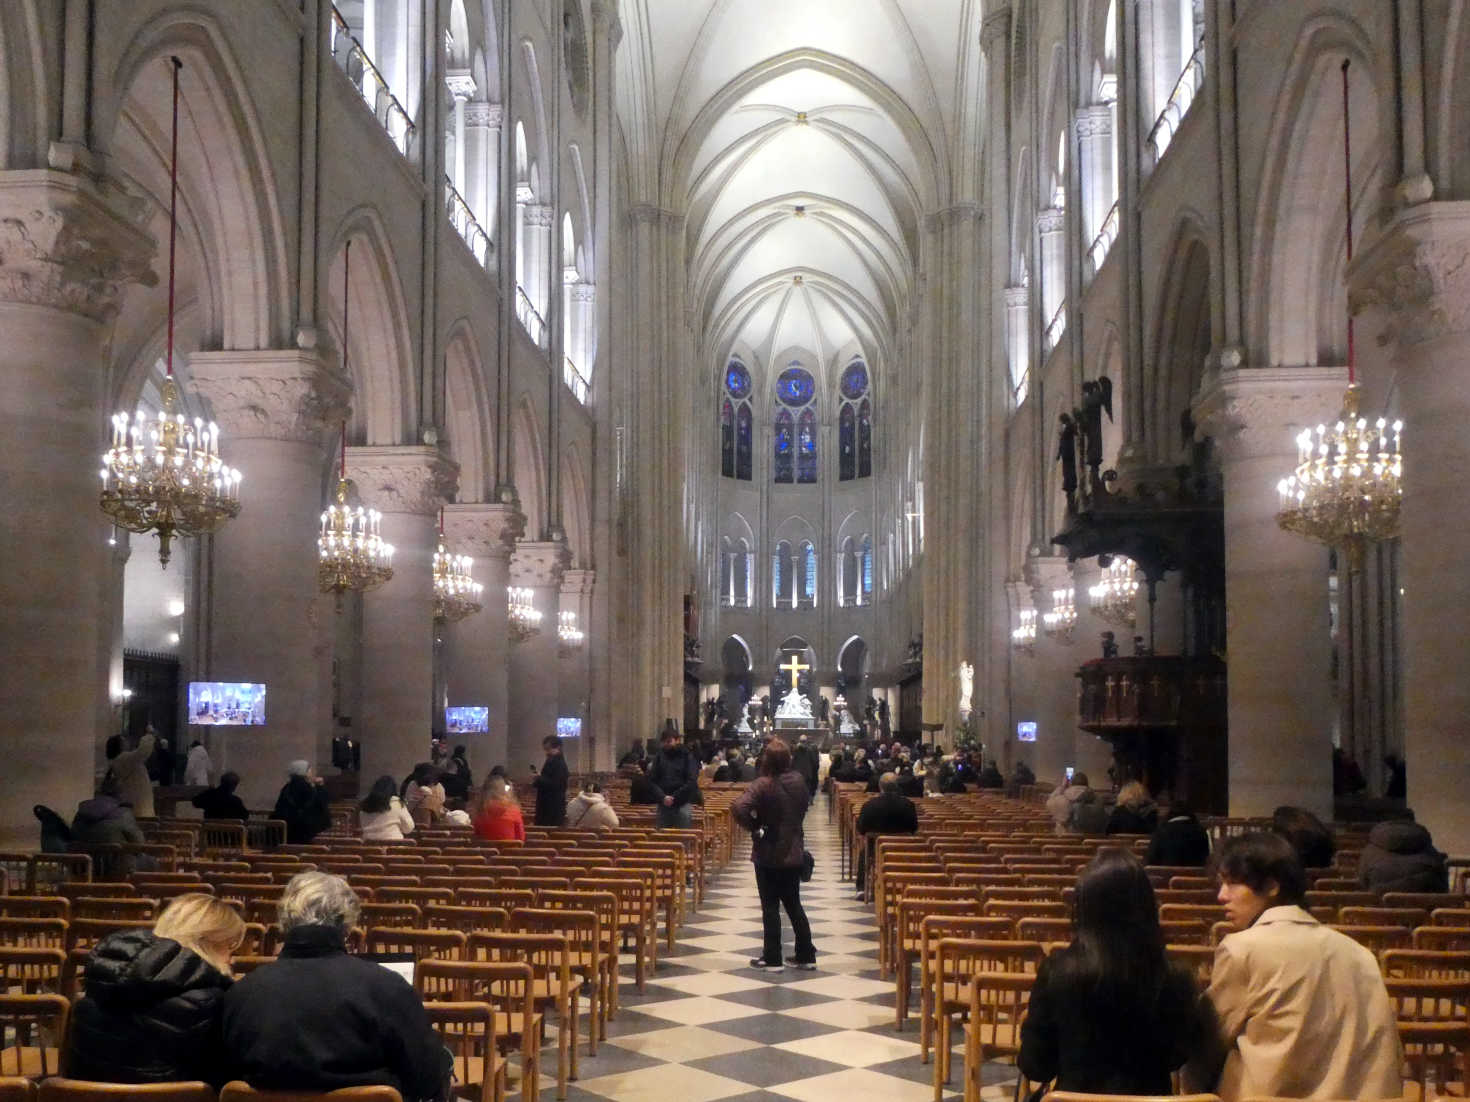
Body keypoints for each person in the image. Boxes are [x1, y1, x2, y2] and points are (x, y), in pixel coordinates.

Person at [1185, 832, 1402, 1100]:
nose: (1221, 895)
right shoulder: (1360, 953)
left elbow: (1208, 1043)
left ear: (1272, 887)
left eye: (1232, 884)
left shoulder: (1242, 949)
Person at [221, 872, 449, 1098]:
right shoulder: (387, 987)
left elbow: (223, 1077)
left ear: (284, 922)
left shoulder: (240, 994)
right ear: (347, 925)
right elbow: (426, 1080)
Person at [1019, 850, 1203, 1094]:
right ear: (1146, 906)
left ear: (1083, 907)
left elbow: (1036, 1066)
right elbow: (1176, 1058)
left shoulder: (1058, 971)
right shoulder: (1176, 976)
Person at [67, 893, 245, 1086]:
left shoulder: (101, 982)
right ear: (208, 943)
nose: (232, 958)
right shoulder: (212, 1001)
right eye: (230, 947)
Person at [732, 738, 816, 971]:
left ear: (767, 760)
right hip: (793, 849)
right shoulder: (799, 781)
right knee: (793, 904)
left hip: (768, 851)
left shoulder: (763, 784)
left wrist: (755, 825)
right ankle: (806, 954)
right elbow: (804, 805)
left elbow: (739, 807)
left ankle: (772, 957)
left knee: (770, 906)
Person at [854, 773, 919, 891]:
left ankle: (862, 888)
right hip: (903, 847)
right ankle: (911, 887)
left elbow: (862, 829)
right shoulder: (908, 805)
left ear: (880, 786)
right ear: (897, 786)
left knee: (864, 852)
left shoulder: (869, 805)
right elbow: (914, 828)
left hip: (875, 848)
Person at [1357, 818, 1448, 894]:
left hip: (1377, 909)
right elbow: (1443, 886)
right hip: (1427, 910)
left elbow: (1363, 881)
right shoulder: (1429, 850)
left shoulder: (1371, 850)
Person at [646, 726, 703, 829]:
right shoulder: (659, 757)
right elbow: (652, 780)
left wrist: (674, 797)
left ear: (677, 740)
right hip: (663, 803)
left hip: (682, 802)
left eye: (669, 741)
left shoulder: (687, 756)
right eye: (664, 742)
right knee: (662, 838)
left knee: (682, 837)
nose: (666, 745)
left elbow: (691, 781)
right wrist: (662, 797)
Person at [272, 761, 331, 844]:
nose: (311, 771)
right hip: (306, 830)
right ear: (304, 772)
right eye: (309, 769)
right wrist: (320, 787)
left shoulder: (287, 788)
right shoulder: (308, 787)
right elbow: (321, 804)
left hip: (286, 831)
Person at [105, 729, 157, 819]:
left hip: (135, 802)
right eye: (124, 741)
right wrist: (149, 735)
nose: (127, 742)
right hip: (138, 804)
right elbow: (143, 752)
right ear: (119, 746)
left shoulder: (120, 760)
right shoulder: (123, 759)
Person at [1147, 801, 1211, 867]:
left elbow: (1151, 859)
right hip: (1195, 875)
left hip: (1164, 875)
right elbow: (1207, 859)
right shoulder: (1201, 832)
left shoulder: (1160, 832)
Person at [359, 775, 415, 842]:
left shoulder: (365, 804)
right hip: (394, 846)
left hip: (369, 846)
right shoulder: (397, 803)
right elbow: (408, 828)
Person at [71, 794, 145, 845]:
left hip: (81, 866)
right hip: (120, 865)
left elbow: (72, 839)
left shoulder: (82, 813)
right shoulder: (123, 813)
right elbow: (139, 841)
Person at [531, 736, 570, 827]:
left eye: (548, 749)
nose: (546, 752)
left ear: (558, 748)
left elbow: (556, 784)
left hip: (552, 807)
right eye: (545, 749)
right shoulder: (552, 760)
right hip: (547, 805)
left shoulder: (559, 763)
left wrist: (539, 778)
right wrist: (540, 777)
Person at [473, 776, 525, 841]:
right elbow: (521, 838)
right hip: (510, 850)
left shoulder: (481, 811)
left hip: (487, 850)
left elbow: (477, 838)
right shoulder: (514, 811)